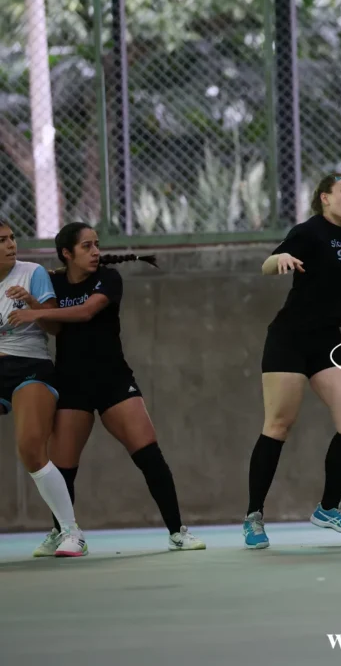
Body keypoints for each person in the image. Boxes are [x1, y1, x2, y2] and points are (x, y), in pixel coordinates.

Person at [241, 88, 341, 550]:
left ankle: (328, 507)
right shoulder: (307, 232)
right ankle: (253, 516)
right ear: (325, 198)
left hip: (329, 339)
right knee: (278, 427)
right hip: (289, 339)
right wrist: (281, 261)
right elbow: (267, 263)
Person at [9, 224, 205, 554]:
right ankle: (62, 532)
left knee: (149, 455)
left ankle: (177, 531)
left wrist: (36, 310)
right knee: (63, 468)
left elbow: (86, 311)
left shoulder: (109, 278)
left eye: (96, 244)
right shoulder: (53, 283)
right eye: (86, 246)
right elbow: (53, 325)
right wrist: (32, 302)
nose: (96, 251)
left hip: (113, 380)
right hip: (72, 383)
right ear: (67, 253)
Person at [0, 217, 86, 556]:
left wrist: (32, 306)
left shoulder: (32, 273)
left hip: (29, 366)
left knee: (31, 448)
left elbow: (55, 328)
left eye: (11, 237)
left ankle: (71, 531)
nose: (11, 245)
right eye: (2, 240)